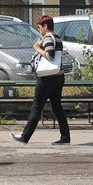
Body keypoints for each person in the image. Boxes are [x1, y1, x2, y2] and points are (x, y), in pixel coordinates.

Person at [12, 15, 71, 146]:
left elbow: (50, 55)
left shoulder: (49, 37)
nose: (39, 30)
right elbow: (58, 54)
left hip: (47, 77)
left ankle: (24, 136)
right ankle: (65, 137)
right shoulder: (57, 37)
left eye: (39, 27)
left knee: (37, 107)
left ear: (45, 26)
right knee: (57, 107)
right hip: (58, 75)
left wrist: (37, 48)